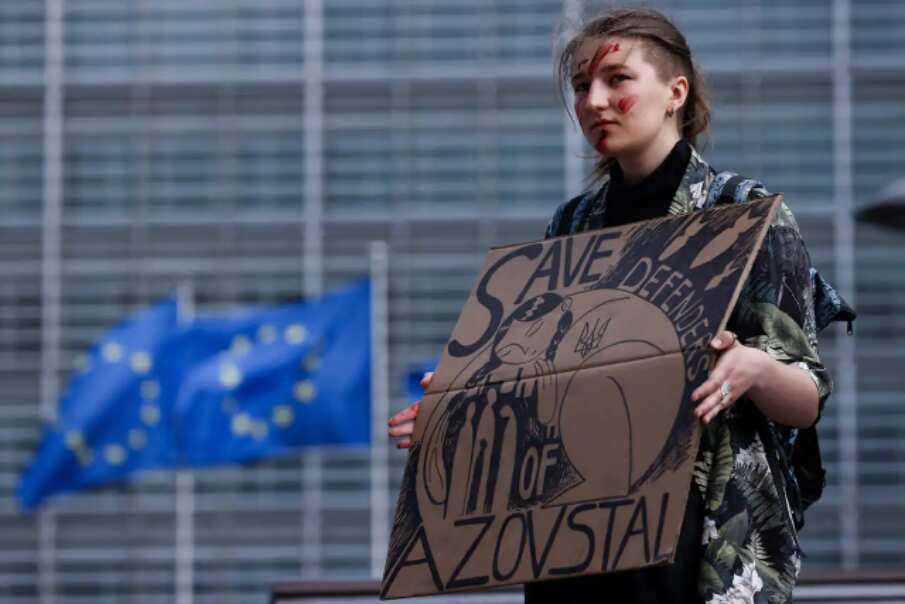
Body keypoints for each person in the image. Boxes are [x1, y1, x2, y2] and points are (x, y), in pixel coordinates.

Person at [388, 7, 833, 603]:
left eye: (617, 79)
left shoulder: (746, 215)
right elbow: (542, 386)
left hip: (690, 542)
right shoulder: (570, 226)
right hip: (571, 538)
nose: (594, 100)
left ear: (676, 92)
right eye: (581, 86)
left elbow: (805, 399)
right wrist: (462, 415)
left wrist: (752, 369)